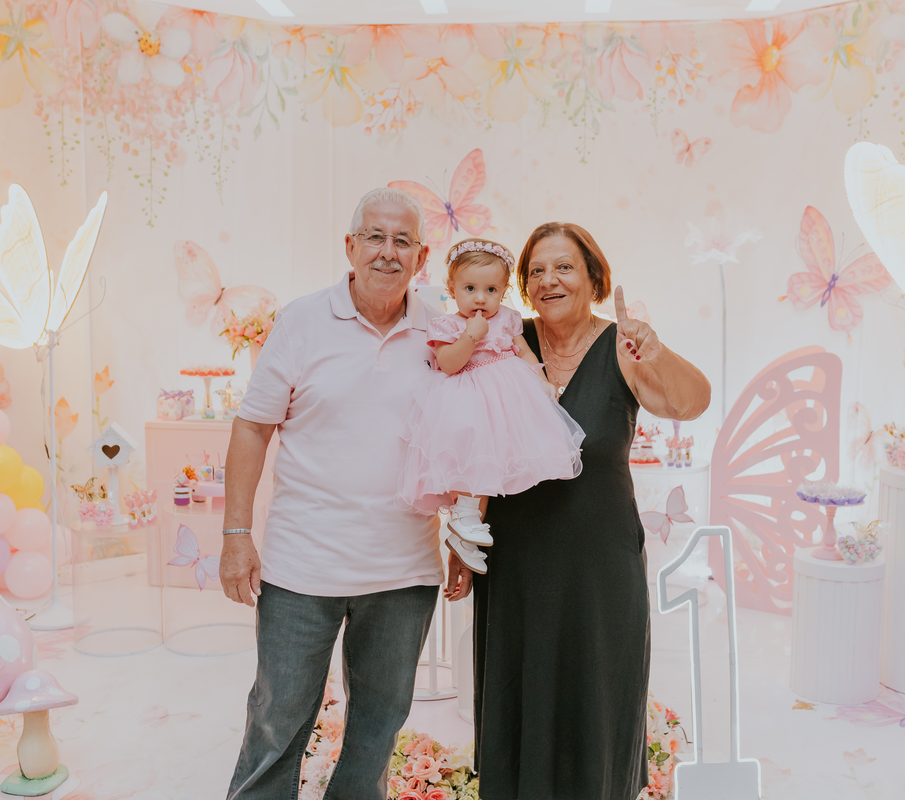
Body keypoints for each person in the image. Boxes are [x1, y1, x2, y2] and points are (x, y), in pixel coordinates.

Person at [446, 222, 711, 800]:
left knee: (598, 701)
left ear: (594, 278)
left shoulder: (622, 346)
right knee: (518, 698)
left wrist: (655, 350)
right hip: (516, 562)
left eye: (564, 267)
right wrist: (464, 541)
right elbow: (478, 446)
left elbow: (691, 402)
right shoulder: (505, 341)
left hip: (600, 567)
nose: (549, 280)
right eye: (536, 271)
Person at [221, 188, 445, 800]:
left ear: (421, 256)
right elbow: (252, 427)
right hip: (303, 567)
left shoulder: (444, 331)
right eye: (375, 237)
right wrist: (236, 534)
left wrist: (465, 535)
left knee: (377, 728)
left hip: (404, 571)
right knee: (278, 721)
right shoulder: (301, 321)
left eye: (403, 241)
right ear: (350, 246)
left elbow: (470, 435)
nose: (388, 252)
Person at [397, 237, 584, 574]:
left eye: (491, 290)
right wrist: (471, 334)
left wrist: (540, 380)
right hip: (464, 400)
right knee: (469, 458)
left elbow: (524, 352)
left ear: (503, 291)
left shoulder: (508, 319)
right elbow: (448, 364)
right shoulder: (447, 325)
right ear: (452, 289)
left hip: (504, 401)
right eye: (470, 289)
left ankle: (467, 532)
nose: (481, 298)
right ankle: (464, 517)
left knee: (490, 464)